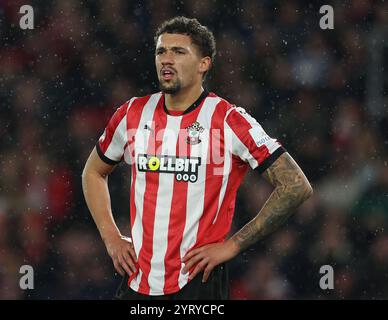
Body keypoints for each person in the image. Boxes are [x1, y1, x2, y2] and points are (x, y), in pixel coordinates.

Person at [82, 16, 313, 300]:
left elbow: (296, 186)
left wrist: (233, 246)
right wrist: (111, 237)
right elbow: (93, 172)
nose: (166, 59)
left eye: (178, 52)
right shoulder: (132, 114)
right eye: (161, 51)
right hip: (136, 281)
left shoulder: (229, 119)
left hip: (197, 284)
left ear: (204, 64)